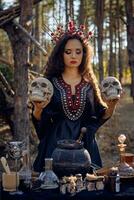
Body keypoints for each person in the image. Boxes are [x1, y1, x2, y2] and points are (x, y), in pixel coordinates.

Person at [32, 21, 119, 172]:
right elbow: (41, 120)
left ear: (84, 54)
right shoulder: (50, 84)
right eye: (68, 51)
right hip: (54, 146)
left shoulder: (90, 84)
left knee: (87, 188)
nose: (73, 55)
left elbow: (100, 116)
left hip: (85, 147)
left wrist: (112, 105)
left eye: (78, 51)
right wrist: (37, 110)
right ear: (61, 54)